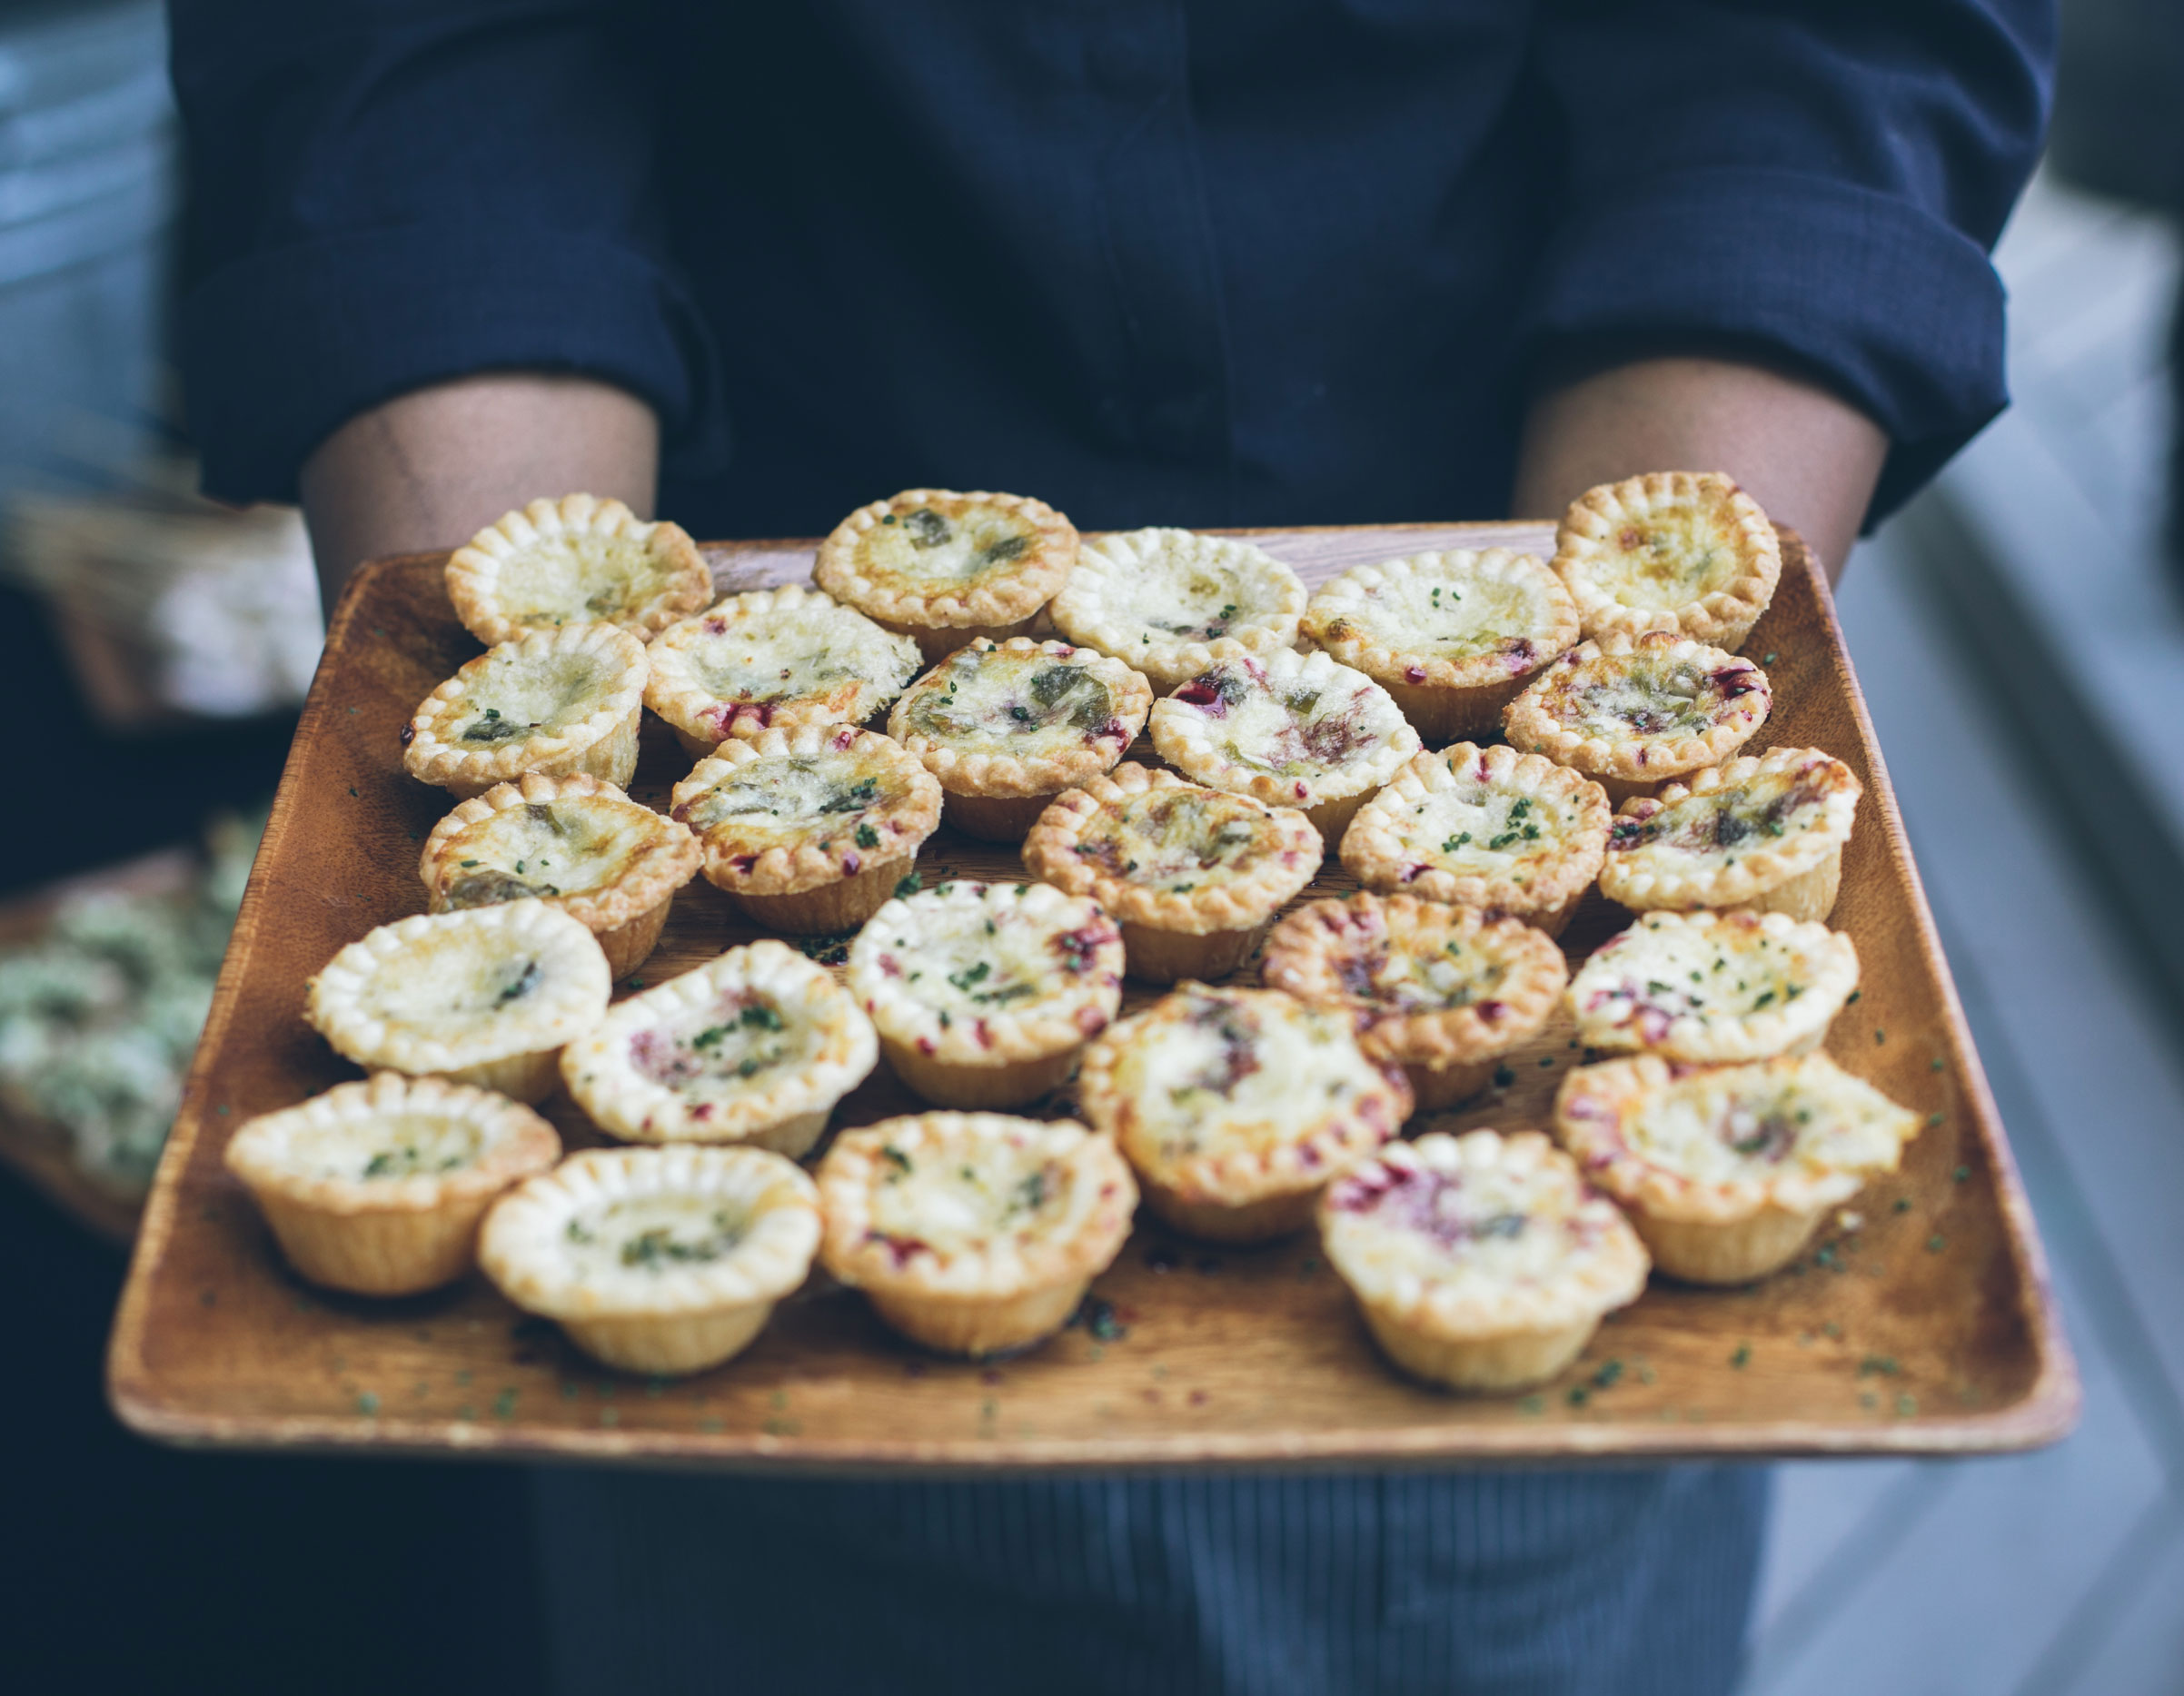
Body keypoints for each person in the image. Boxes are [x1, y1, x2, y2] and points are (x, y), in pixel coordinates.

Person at [167, 5, 2054, 1692]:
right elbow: (401, 55)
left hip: (1524, 543)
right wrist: (552, 713)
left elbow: (1821, 43)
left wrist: (1622, 702)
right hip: (731, 529)